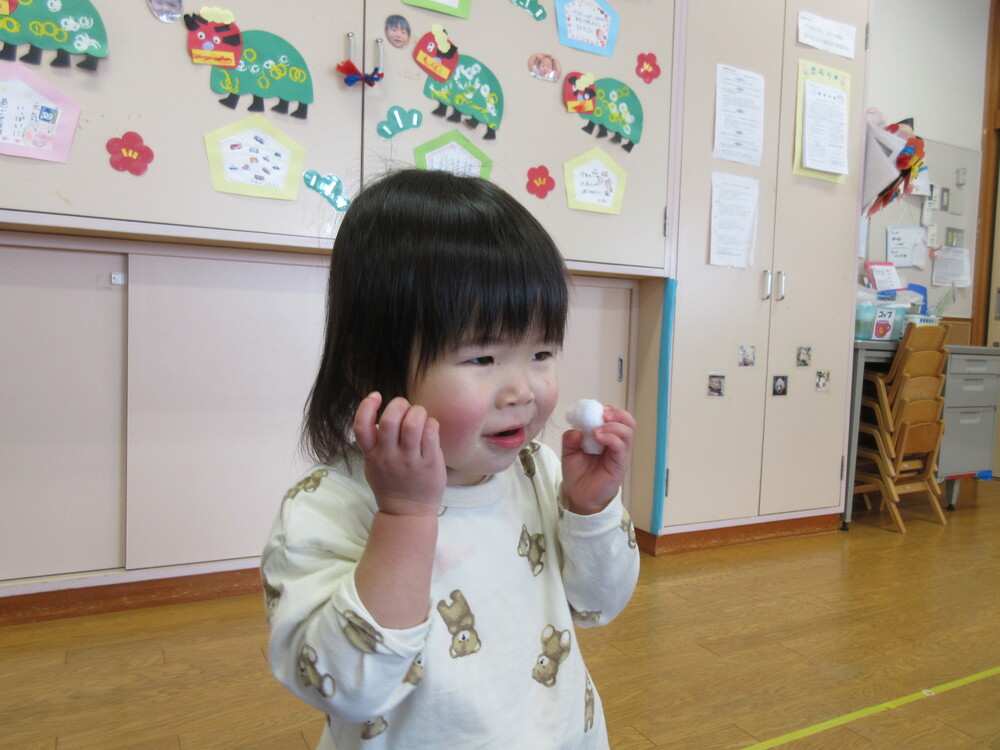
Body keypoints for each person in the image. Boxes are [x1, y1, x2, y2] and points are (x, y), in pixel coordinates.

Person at [261, 168, 639, 749]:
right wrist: (407, 517)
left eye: (541, 351)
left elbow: (598, 607)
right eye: (483, 357)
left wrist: (589, 510)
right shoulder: (329, 506)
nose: (523, 390)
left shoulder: (539, 473)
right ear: (372, 367)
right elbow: (346, 687)